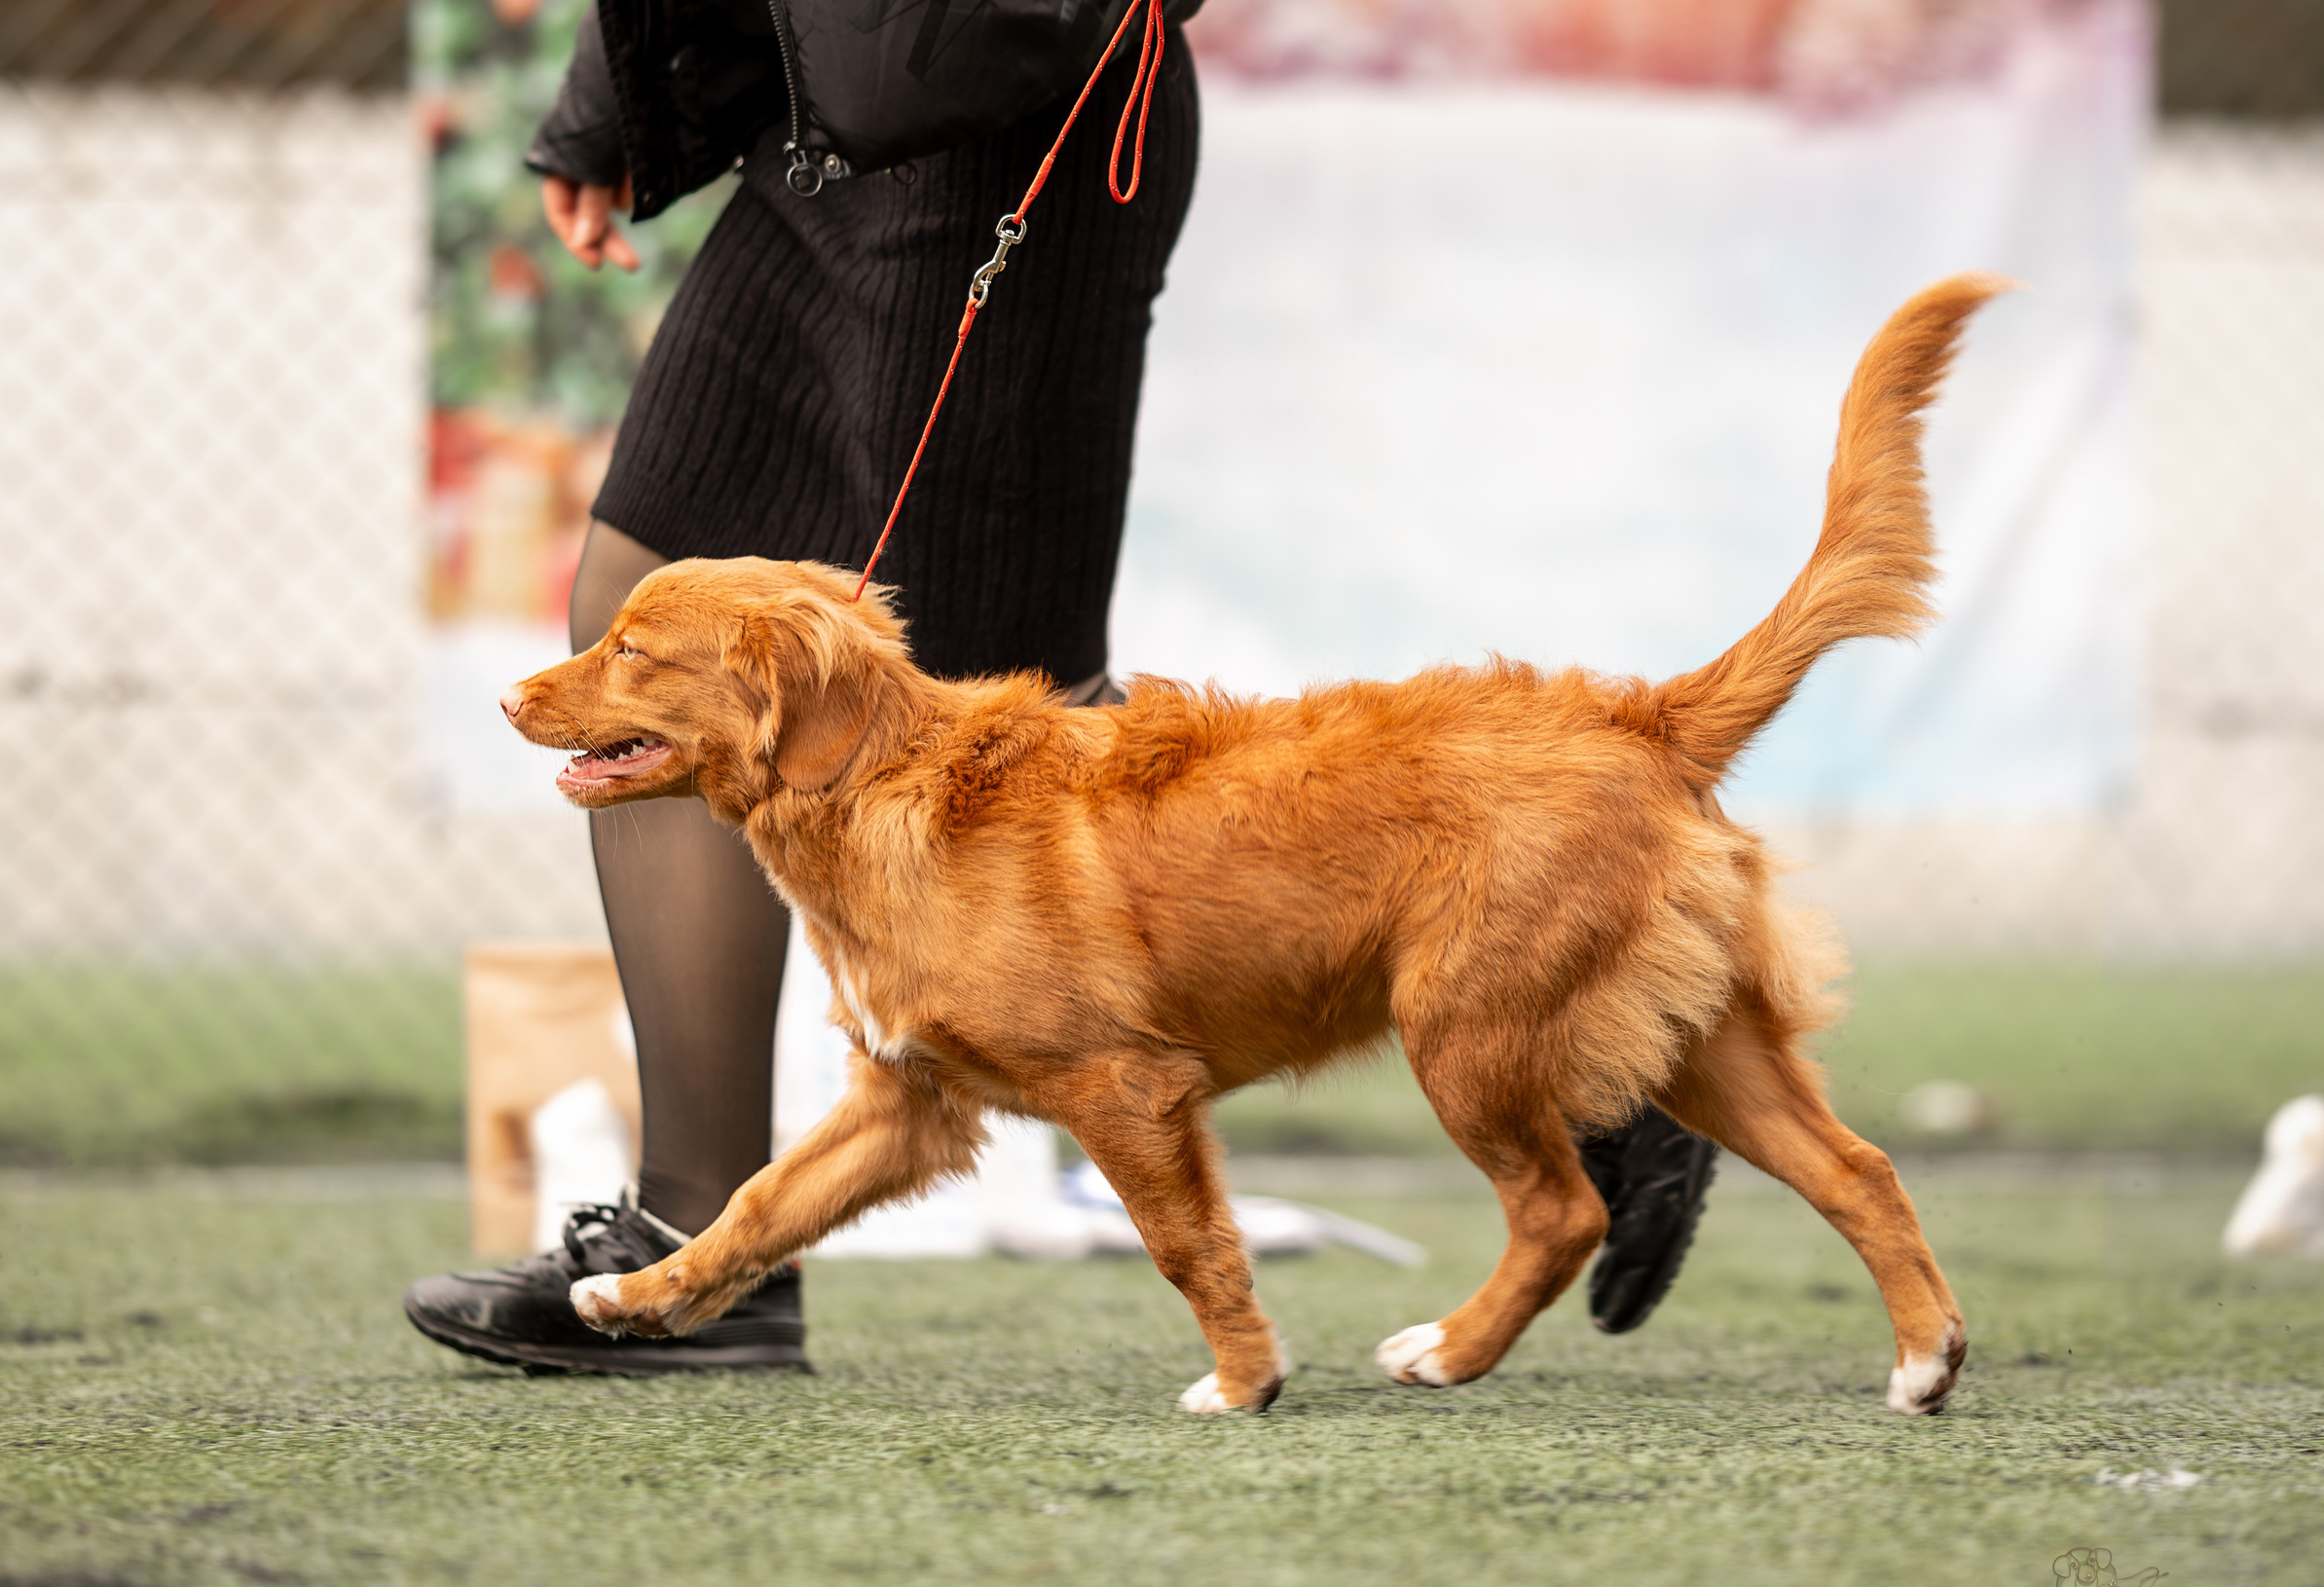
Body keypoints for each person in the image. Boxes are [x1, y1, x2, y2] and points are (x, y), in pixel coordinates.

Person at [404, 0, 1717, 1379]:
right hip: (816, 111)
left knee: (995, 672)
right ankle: (697, 1236)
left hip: (1010, 90)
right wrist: (613, 96)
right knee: (646, 574)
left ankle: (1575, 995)